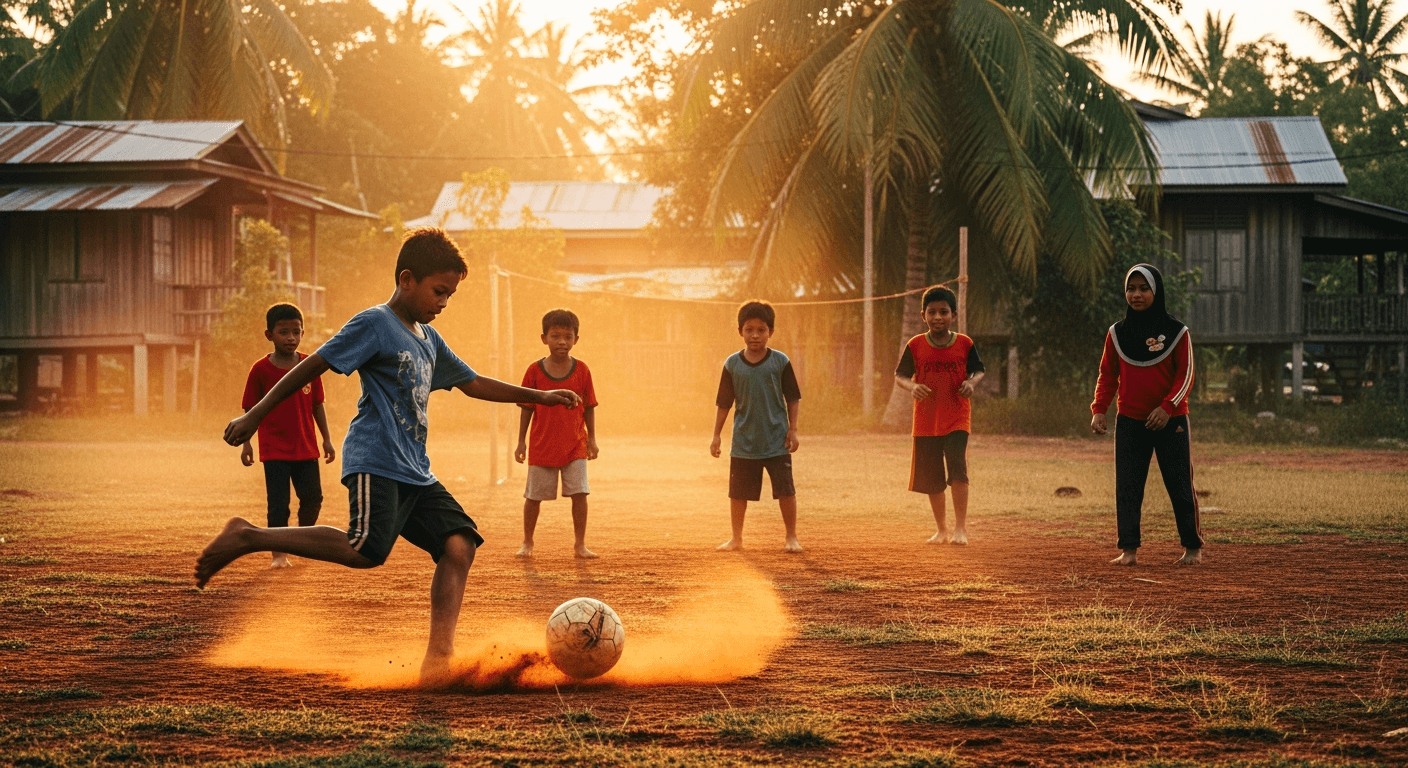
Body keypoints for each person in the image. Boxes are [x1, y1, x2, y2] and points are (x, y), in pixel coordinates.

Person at [195, 227, 581, 682]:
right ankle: (249, 536)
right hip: (376, 459)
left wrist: (540, 396)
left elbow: (472, 382)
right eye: (439, 291)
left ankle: (438, 661)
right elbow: (311, 365)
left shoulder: (428, 339)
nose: (443, 302)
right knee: (365, 550)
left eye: (450, 295)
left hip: (416, 470)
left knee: (459, 546)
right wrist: (255, 417)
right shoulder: (374, 323)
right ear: (406, 280)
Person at [1091, 263, 1203, 566]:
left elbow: (1186, 374)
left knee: (1180, 484)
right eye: (1131, 288)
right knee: (1127, 486)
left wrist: (1167, 407)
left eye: (1144, 288)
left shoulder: (1178, 332)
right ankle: (1128, 550)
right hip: (1129, 421)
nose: (1136, 294)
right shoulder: (1116, 334)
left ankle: (1192, 548)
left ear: (1157, 291)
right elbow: (1107, 375)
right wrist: (1099, 409)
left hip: (1172, 421)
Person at [239, 303, 337, 569]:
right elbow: (250, 409)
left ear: (303, 333)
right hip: (274, 450)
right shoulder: (260, 370)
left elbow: (318, 404)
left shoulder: (309, 365)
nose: (290, 338)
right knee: (278, 505)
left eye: (296, 331)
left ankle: (302, 544)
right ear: (269, 335)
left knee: (313, 499)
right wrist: (247, 443)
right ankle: (279, 555)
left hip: (306, 447)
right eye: (284, 332)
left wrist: (326, 439)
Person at [893, 285, 985, 545]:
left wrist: (972, 383)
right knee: (933, 478)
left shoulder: (965, 343)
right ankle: (942, 530)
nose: (938, 317)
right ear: (923, 316)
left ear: (953, 315)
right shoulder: (915, 345)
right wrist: (913, 386)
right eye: (932, 312)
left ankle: (960, 530)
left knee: (958, 470)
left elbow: (979, 370)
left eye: (943, 312)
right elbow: (899, 375)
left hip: (957, 417)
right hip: (925, 422)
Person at [710, 300, 802, 553]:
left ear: (770, 331)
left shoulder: (780, 362)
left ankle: (791, 537)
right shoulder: (732, 364)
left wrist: (792, 429)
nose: (755, 335)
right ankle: (736, 538)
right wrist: (716, 435)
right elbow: (724, 403)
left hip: (776, 439)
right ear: (740, 331)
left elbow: (793, 397)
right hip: (744, 441)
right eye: (749, 329)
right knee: (738, 493)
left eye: (761, 330)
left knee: (785, 490)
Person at [514, 308, 599, 559]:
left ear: (576, 339)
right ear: (544, 338)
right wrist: (521, 442)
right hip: (542, 444)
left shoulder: (582, 370)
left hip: (575, 444)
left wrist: (592, 439)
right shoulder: (534, 371)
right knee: (533, 497)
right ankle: (528, 542)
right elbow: (526, 408)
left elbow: (590, 407)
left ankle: (580, 545)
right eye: (555, 336)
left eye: (567, 336)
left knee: (580, 494)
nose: (562, 341)